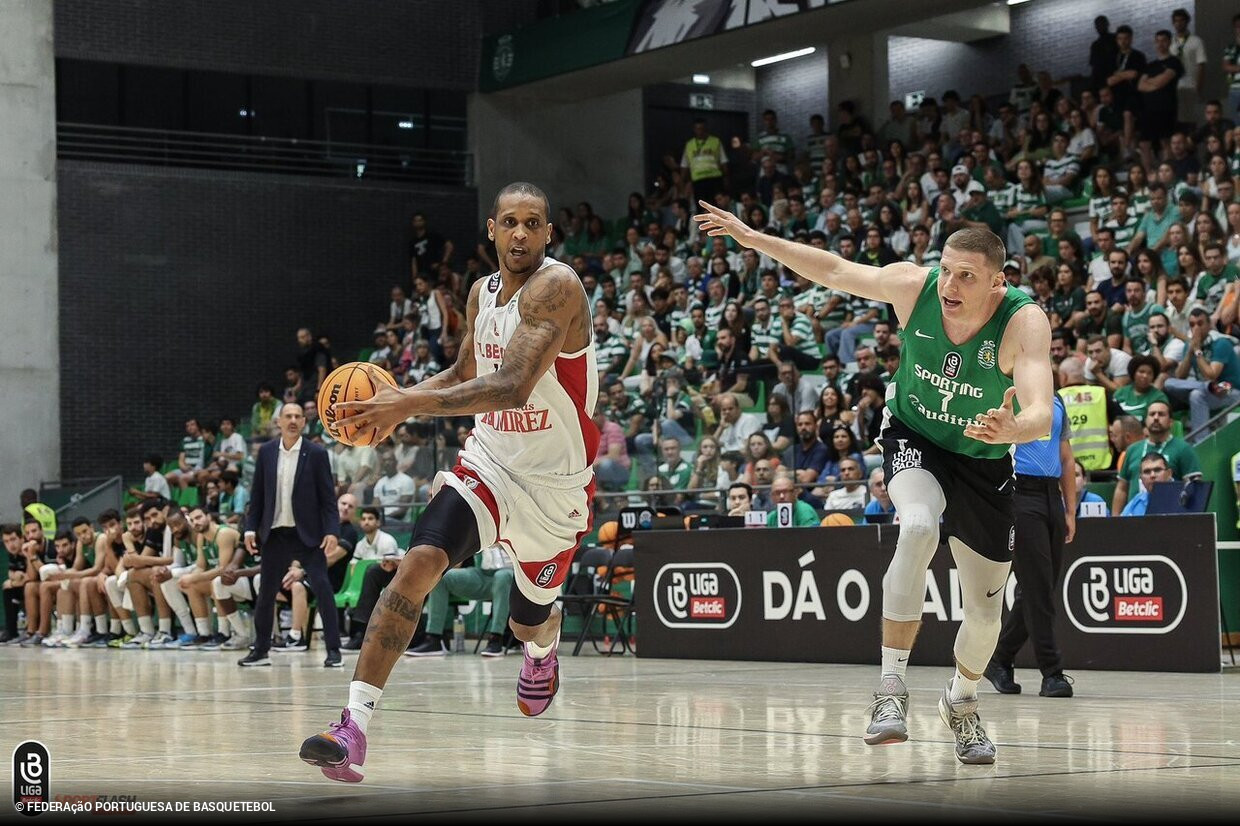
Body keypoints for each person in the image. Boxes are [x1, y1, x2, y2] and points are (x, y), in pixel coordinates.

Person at [696, 201, 1053, 766]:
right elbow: (835, 270)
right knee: (916, 526)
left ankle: (961, 704)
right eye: (947, 269)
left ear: (997, 282)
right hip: (916, 433)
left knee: (987, 614)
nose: (951, 285)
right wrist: (751, 236)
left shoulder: (1023, 321)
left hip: (985, 461)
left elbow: (1042, 410)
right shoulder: (916, 288)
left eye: (967, 277)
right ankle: (890, 691)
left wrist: (1017, 426)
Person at [299, 182, 598, 783]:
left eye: (532, 224)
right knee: (418, 565)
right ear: (491, 229)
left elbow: (513, 383)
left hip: (556, 488)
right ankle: (352, 725)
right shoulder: (484, 291)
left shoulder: (557, 287)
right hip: (489, 462)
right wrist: (397, 397)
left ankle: (542, 647)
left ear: (548, 234)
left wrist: (405, 404)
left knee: (525, 620)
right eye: (509, 222)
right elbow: (467, 371)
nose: (520, 234)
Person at [238, 403, 342, 668]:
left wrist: (332, 530)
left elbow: (328, 499)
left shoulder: (316, 453)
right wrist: (250, 528)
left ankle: (334, 651)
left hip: (307, 534)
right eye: (288, 416)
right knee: (266, 593)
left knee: (322, 588)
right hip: (274, 534)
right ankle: (260, 651)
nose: (293, 420)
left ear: (304, 422)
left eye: (298, 416)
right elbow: (257, 496)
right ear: (279, 421)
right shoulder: (267, 452)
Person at [986, 393, 1075, 699]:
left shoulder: (1057, 400)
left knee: (1041, 588)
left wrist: (1070, 510)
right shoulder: (1005, 394)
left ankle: (999, 658)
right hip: (1019, 493)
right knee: (1038, 589)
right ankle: (1052, 672)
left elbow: (1065, 455)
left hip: (1052, 496)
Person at [413, 545, 515, 658]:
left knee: (502, 576)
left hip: (511, 575)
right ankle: (433, 638)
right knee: (441, 577)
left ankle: (496, 639)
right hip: (482, 574)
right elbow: (458, 562)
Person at [1163, 308, 1240, 435]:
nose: (1196, 328)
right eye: (1192, 325)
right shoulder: (1190, 346)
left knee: (1196, 395)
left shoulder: (1221, 343)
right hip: (1208, 390)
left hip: (1229, 389)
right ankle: (1206, 387)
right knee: (1169, 383)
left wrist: (1198, 351)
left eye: (1200, 323)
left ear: (1209, 325)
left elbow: (1212, 374)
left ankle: (1200, 440)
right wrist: (1190, 351)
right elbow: (1179, 376)